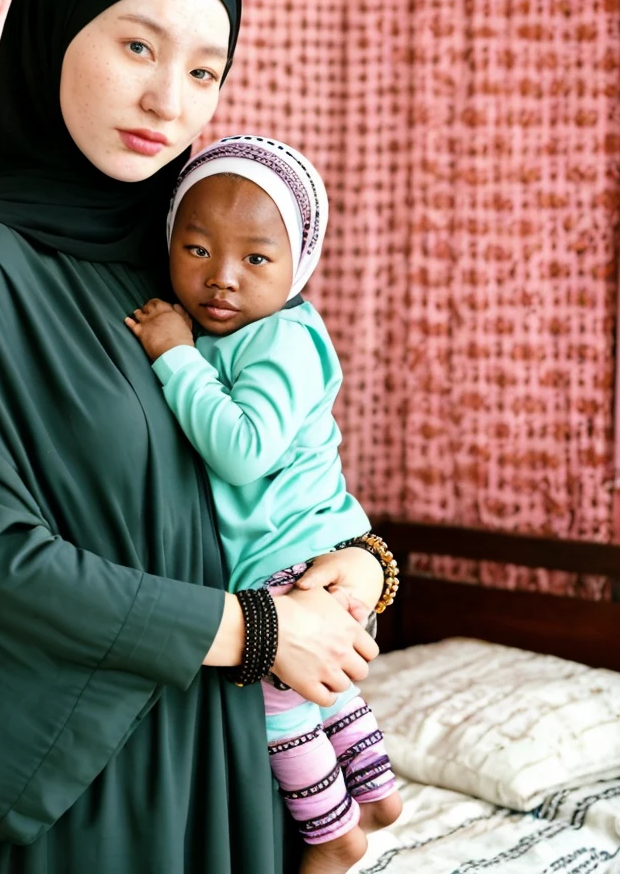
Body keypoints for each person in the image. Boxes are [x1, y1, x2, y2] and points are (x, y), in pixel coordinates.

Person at [0, 0, 387, 874]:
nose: (168, 100)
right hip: (82, 775)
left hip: (226, 745)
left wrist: (364, 563)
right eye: (136, 45)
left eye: (203, 71)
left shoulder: (177, 266)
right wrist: (255, 626)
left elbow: (258, 470)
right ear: (54, 32)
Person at [125, 135, 402, 873]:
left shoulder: (284, 338)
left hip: (304, 565)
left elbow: (243, 447)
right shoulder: (240, 336)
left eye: (255, 259)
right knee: (322, 689)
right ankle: (375, 792)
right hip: (292, 559)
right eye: (195, 249)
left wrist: (173, 353)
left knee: (275, 709)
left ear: (298, 265)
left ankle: (333, 834)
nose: (221, 279)